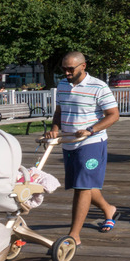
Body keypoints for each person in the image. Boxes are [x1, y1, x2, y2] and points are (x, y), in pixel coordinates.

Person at [44, 51, 120, 246]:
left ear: (83, 66)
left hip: (92, 142)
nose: (67, 73)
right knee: (83, 184)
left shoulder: (98, 86)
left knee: (82, 187)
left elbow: (113, 115)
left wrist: (91, 130)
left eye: (71, 69)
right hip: (69, 143)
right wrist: (54, 129)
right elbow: (59, 112)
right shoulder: (62, 85)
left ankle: (74, 235)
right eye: (64, 69)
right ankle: (109, 209)